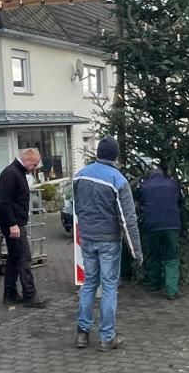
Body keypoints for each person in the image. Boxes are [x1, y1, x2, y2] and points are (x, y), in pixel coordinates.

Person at [73, 135, 142, 352]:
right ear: (116, 156)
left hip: (87, 237)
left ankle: (82, 334)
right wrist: (136, 252)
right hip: (109, 241)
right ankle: (107, 337)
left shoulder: (79, 176)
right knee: (109, 286)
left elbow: (78, 206)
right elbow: (127, 219)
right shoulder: (118, 180)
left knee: (89, 283)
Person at [0, 147, 49, 309]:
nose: (34, 168)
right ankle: (30, 295)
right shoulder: (11, 174)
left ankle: (10, 294)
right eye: (34, 165)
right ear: (26, 160)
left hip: (16, 223)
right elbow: (4, 202)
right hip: (14, 225)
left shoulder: (15, 173)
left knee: (14, 259)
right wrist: (13, 224)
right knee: (24, 258)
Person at [139, 166, 182, 300]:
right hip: (171, 225)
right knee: (171, 257)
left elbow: (139, 202)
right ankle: (172, 290)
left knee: (153, 255)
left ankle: (154, 284)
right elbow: (180, 201)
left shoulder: (144, 186)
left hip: (151, 226)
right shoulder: (173, 184)